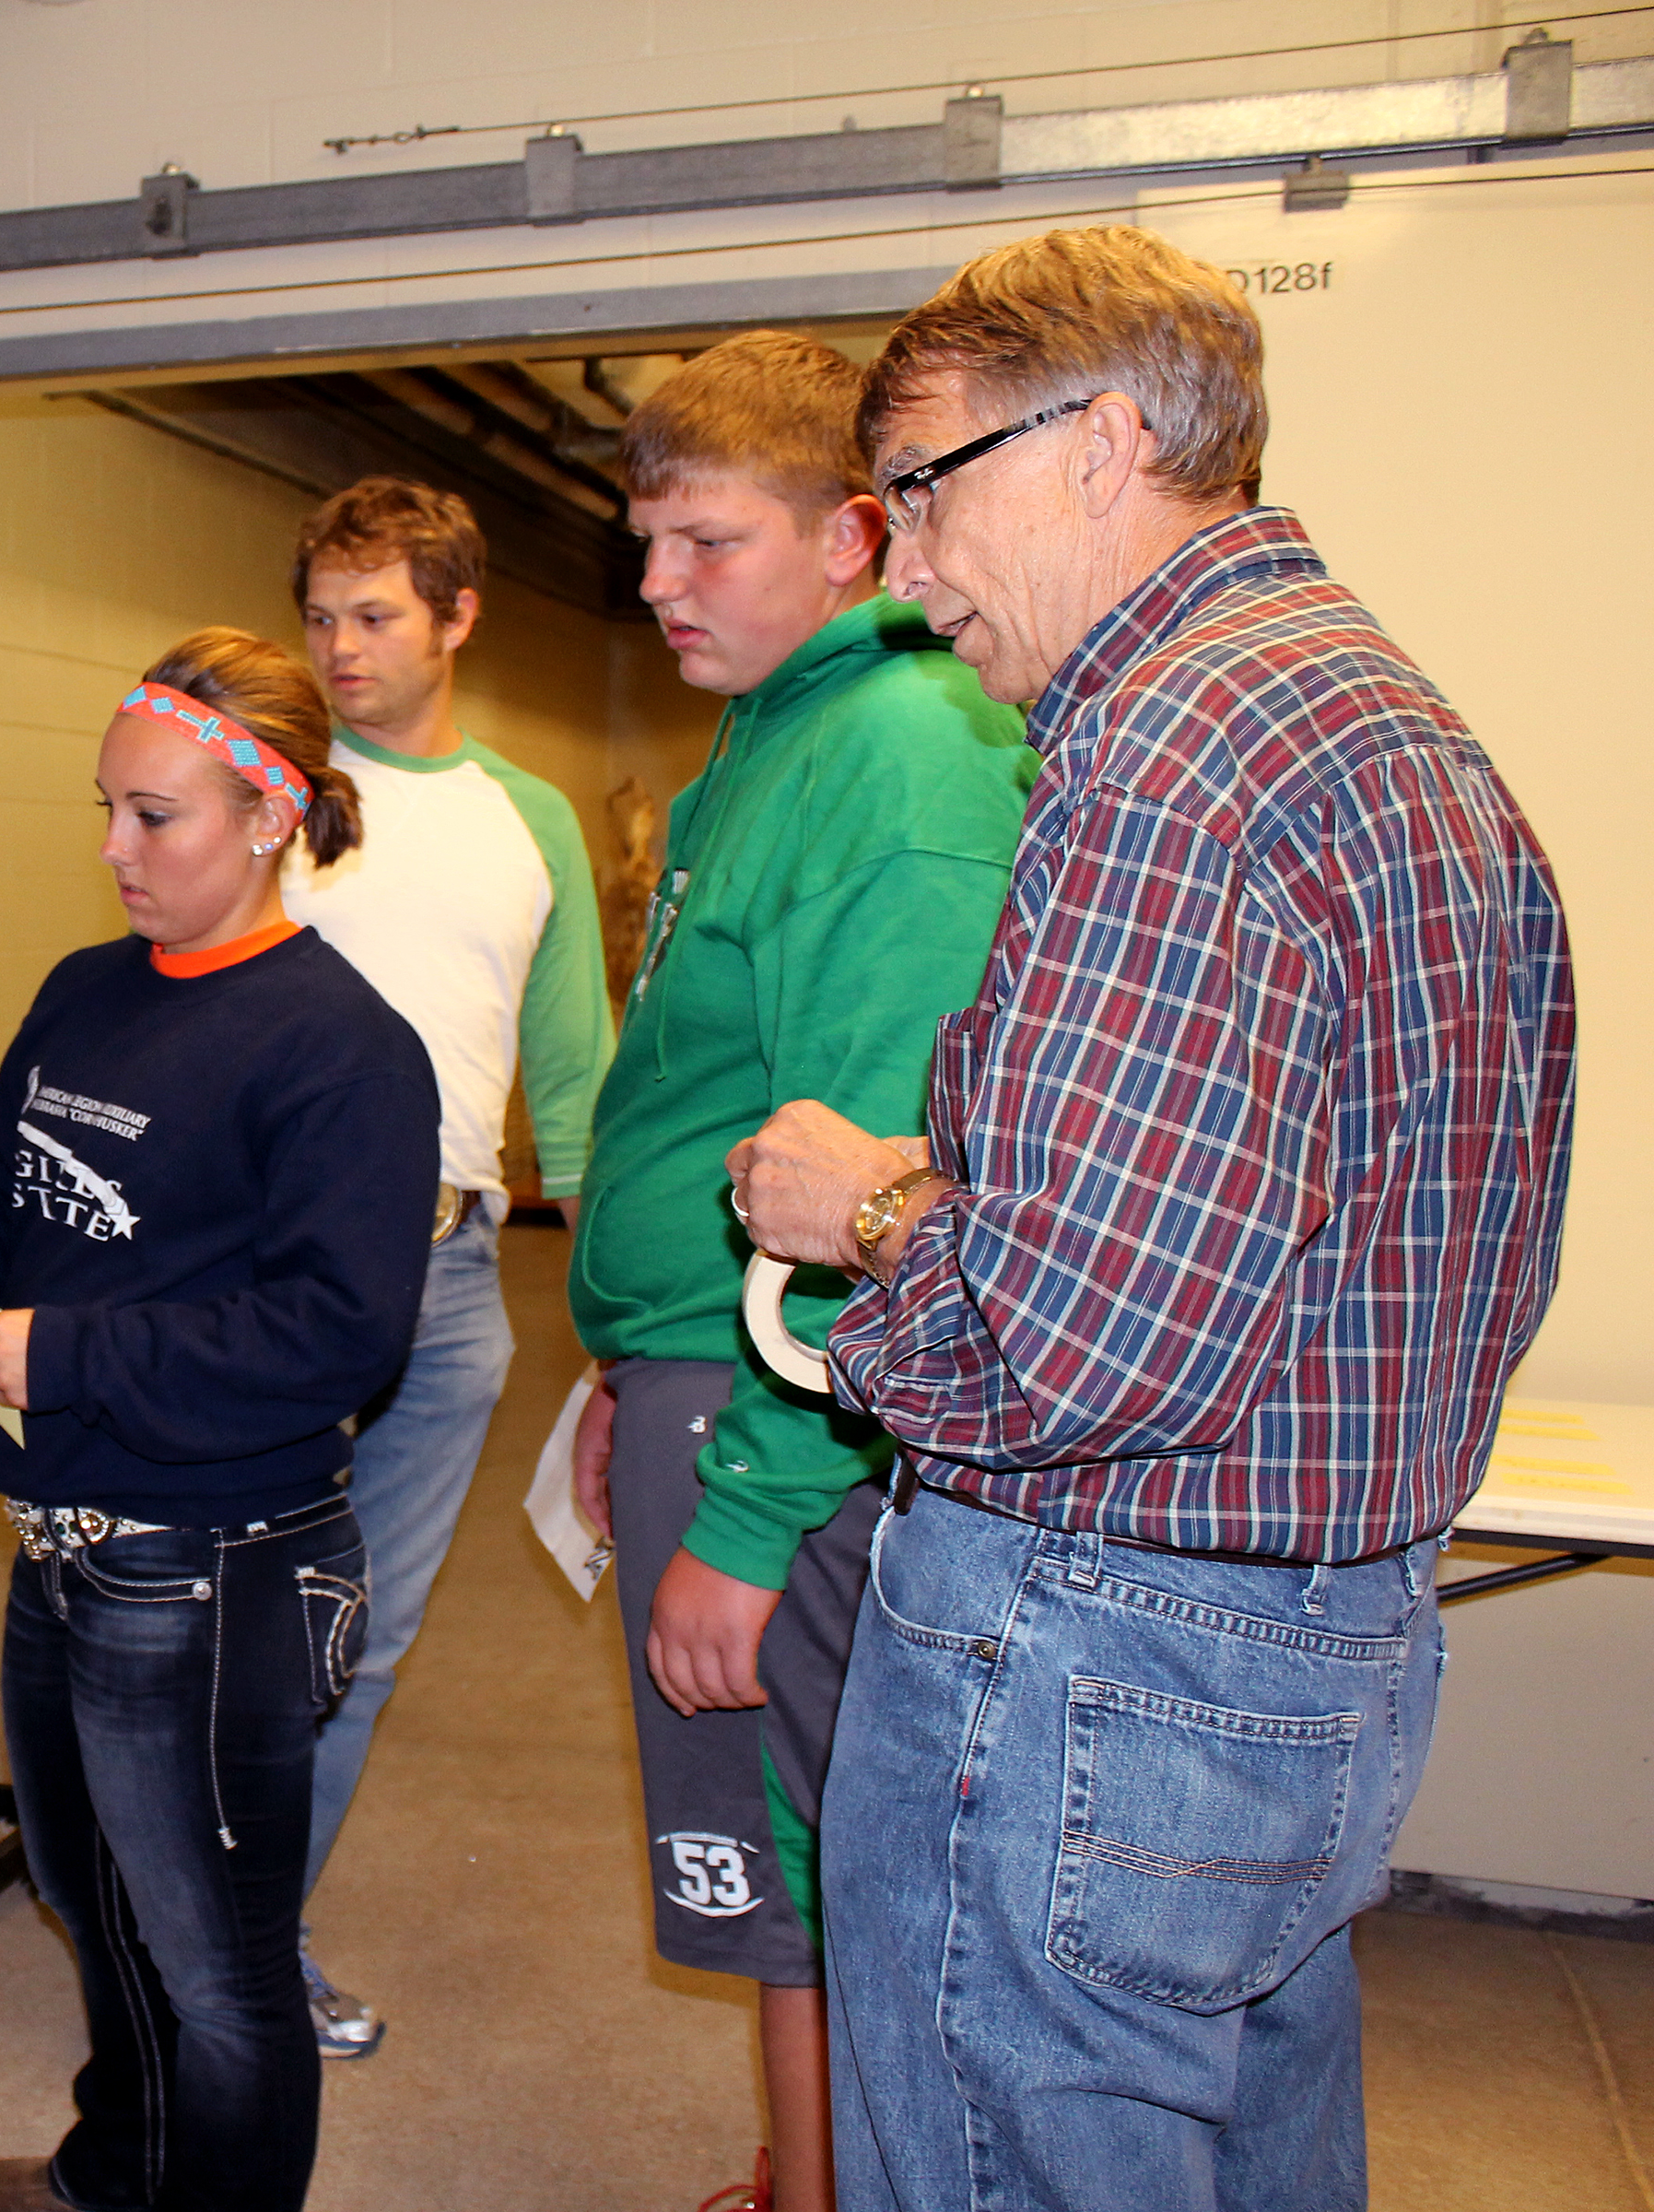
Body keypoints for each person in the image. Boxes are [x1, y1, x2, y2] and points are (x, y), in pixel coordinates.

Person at [729, 227, 1576, 2212]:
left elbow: (1067, 1340)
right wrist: (971, 1205)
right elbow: (1332, 1228)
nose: (909, 573)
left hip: (1093, 1639)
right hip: (1323, 1629)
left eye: (923, 494)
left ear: (1102, 442)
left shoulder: (1161, 753)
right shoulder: (1385, 726)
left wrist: (865, 1217)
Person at [0, 629, 438, 2212]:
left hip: (219, 1569)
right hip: (65, 1552)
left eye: (153, 816)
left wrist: (74, 1357)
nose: (112, 847)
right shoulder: (88, 991)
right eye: (104, 806)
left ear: (268, 813)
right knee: (90, 1898)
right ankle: (118, 2175)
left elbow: (341, 1334)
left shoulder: (341, 1048)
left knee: (217, 1966)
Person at [565, 331, 1036, 2212]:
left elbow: (874, 1179)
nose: (662, 586)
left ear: (854, 535)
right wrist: (630, 1383)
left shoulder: (893, 758)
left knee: (797, 1870)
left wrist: (753, 1507)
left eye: (707, 543)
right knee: (780, 1864)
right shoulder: (773, 736)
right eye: (646, 543)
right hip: (706, 1374)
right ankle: (802, 2174)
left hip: (790, 1411)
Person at [284, 477, 613, 2054]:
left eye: (375, 617)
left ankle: (253, 1943)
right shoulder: (271, 781)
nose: (340, 650)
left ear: (458, 616)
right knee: (226, 1615)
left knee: (367, 1634)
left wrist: (625, 1317)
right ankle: (178, 1925)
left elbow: (575, 1079)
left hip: (455, 1277)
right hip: (268, 1272)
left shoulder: (528, 818)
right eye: (321, 619)